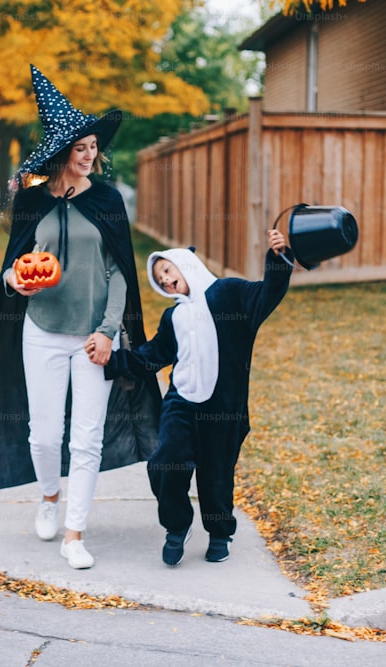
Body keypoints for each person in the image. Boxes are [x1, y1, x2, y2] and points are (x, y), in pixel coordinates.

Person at [0, 65, 161, 569]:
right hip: (44, 330)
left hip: (94, 337)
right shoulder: (31, 202)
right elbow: (13, 265)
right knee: (45, 434)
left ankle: (75, 534)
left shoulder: (108, 200)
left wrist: (107, 332)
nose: (91, 155)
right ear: (61, 154)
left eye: (94, 146)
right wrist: (15, 280)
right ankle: (49, 496)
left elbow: (120, 271)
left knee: (87, 437)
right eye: (81, 148)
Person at [100, 230, 292, 567]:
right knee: (165, 463)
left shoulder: (229, 294)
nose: (166, 281)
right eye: (160, 279)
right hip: (182, 403)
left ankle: (219, 533)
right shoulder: (172, 317)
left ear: (185, 265)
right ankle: (177, 526)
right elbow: (152, 355)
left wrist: (277, 261)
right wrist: (114, 360)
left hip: (224, 407)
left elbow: (267, 295)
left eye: (169, 271)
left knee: (216, 472)